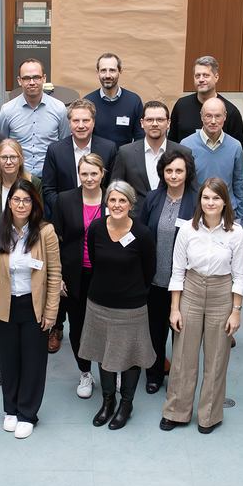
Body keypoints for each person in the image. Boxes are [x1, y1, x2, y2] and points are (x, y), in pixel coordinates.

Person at [161, 177, 243, 434]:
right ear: (200, 200)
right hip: (192, 291)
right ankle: (176, 411)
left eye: (216, 198)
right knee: (183, 356)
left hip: (222, 294)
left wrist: (236, 311)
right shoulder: (187, 229)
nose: (210, 202)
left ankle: (209, 415)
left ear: (225, 202)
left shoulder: (236, 233)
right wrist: (175, 308)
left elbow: (240, 276)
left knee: (217, 358)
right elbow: (177, 271)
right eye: (206, 197)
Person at [0, 180, 62, 438]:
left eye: (27, 200)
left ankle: (27, 413)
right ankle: (11, 410)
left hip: (34, 306)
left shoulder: (45, 232)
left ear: (35, 203)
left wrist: (51, 312)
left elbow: (54, 274)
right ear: (9, 202)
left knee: (33, 362)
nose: (21, 205)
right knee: (8, 361)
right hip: (4, 306)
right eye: (16, 199)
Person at [79, 181, 156, 430]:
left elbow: (149, 271)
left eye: (122, 200)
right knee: (104, 354)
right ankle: (108, 401)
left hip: (131, 307)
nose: (117, 204)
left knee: (131, 356)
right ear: (106, 202)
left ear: (131, 204)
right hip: (99, 304)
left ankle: (126, 404)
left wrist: (129, 290)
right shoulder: (96, 228)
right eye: (112, 199)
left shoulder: (142, 234)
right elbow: (94, 262)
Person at [0, 139, 43, 379]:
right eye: (4, 157)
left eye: (13, 157)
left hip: (25, 246)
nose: (8, 162)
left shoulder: (33, 181)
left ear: (21, 159)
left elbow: (39, 216)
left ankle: (21, 366)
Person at [138, 150, 198, 394]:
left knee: (182, 333)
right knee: (154, 331)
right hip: (155, 279)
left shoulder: (197, 200)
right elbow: (141, 234)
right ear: (162, 172)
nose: (173, 175)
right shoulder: (153, 197)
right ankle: (154, 375)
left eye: (179, 171)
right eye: (169, 170)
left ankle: (180, 379)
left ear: (187, 173)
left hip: (185, 282)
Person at [52, 154, 108, 399]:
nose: (89, 178)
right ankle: (85, 372)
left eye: (94, 173)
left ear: (102, 173)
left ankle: (110, 371)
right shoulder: (65, 200)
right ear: (78, 174)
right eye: (84, 173)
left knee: (107, 326)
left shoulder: (113, 198)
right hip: (74, 275)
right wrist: (57, 276)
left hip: (106, 275)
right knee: (77, 328)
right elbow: (54, 240)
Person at [112, 100, 191, 216]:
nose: (154, 124)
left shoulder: (183, 153)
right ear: (142, 123)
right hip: (134, 220)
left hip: (170, 219)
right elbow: (115, 190)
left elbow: (191, 192)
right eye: (149, 120)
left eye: (160, 120)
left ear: (168, 123)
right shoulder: (125, 153)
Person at [42, 98, 118, 213]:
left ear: (94, 122)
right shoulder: (55, 151)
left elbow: (113, 186)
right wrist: (63, 210)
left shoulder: (109, 149)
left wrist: (101, 210)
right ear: (69, 123)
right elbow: (49, 189)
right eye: (76, 121)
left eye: (86, 120)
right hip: (65, 214)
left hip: (100, 214)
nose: (81, 126)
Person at [0, 58, 69, 176]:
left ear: (44, 78)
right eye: (26, 78)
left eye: (36, 77)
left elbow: (64, 145)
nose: (32, 82)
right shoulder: (7, 111)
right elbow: (2, 146)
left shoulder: (59, 109)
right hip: (18, 177)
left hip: (50, 177)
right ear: (19, 80)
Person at [181, 97, 243, 225]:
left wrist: (241, 219)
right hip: (197, 214)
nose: (213, 121)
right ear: (201, 116)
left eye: (218, 116)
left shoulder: (235, 146)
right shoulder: (186, 145)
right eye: (208, 116)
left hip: (227, 214)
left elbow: (239, 185)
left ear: (225, 116)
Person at [168, 56, 243, 147]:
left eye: (206, 75)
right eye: (197, 76)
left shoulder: (231, 111)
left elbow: (236, 147)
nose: (201, 79)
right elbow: (172, 141)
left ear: (216, 77)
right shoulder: (181, 105)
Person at [82, 53, 144, 146]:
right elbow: (83, 136)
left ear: (120, 73)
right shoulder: (88, 102)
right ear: (97, 73)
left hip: (125, 155)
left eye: (112, 70)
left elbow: (140, 137)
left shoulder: (134, 101)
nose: (107, 75)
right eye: (103, 70)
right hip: (96, 155)